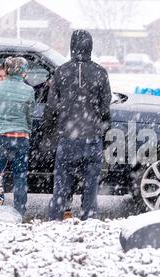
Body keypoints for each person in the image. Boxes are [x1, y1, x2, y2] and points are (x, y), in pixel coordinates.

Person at [43, 30, 112, 221]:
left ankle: (55, 220)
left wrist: (49, 132)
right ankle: (88, 220)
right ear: (90, 46)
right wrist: (102, 130)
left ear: (72, 46)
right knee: (91, 187)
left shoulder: (61, 72)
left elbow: (51, 108)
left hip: (68, 138)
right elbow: (106, 108)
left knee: (61, 186)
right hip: (92, 138)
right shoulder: (100, 72)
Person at [0, 57, 35, 216]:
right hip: (21, 137)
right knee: (20, 176)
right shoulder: (29, 91)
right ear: (22, 71)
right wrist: (26, 131)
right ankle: (20, 211)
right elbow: (29, 116)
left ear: (8, 71)